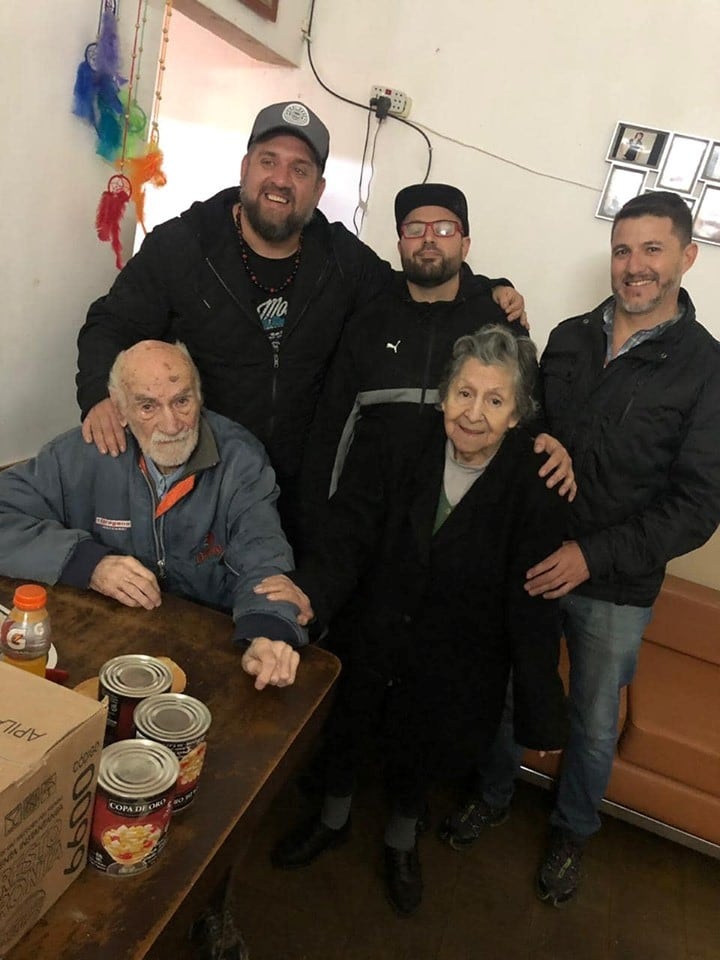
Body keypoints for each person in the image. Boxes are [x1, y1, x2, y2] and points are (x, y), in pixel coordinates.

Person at [440, 191, 720, 906]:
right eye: (624, 249)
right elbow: (523, 421)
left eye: (653, 250)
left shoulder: (707, 369)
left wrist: (593, 556)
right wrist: (538, 436)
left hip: (615, 585)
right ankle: (494, 794)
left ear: (686, 257)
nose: (635, 266)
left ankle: (571, 830)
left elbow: (697, 505)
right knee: (511, 689)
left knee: (594, 722)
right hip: (533, 558)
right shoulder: (567, 336)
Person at [75, 103, 524, 542]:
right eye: (269, 161)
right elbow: (111, 323)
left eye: (300, 169)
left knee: (273, 601)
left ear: (318, 188)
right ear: (246, 167)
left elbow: (411, 287)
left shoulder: (341, 259)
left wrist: (489, 290)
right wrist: (98, 394)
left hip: (298, 493)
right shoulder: (184, 245)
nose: (281, 180)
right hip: (200, 473)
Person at [255, 326, 569, 916]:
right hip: (374, 628)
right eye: (464, 393)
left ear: (517, 415)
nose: (474, 414)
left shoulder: (535, 483)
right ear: (444, 394)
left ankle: (402, 842)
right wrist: (311, 591)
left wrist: (539, 706)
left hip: (461, 654)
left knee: (423, 749)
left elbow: (532, 601)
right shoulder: (396, 441)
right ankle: (331, 818)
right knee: (346, 729)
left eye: (495, 400)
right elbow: (348, 532)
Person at [0, 340, 307, 691]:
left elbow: (263, 552)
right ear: (119, 410)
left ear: (200, 396)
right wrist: (88, 563)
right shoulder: (80, 454)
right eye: (147, 406)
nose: (172, 424)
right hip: (109, 640)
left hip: (210, 645)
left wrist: (267, 631)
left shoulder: (241, 459)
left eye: (182, 401)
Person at [299, 183, 574, 542]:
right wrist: (315, 524)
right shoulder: (367, 320)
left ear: (465, 244)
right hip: (368, 525)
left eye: (444, 228)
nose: (429, 239)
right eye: (415, 229)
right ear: (400, 244)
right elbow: (329, 432)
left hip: (466, 527)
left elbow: (528, 416)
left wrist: (548, 441)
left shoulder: (498, 321)